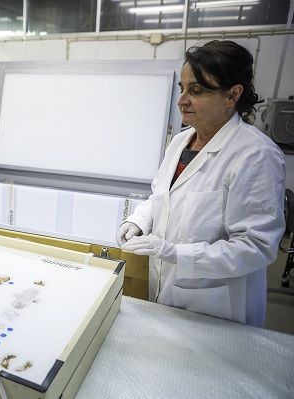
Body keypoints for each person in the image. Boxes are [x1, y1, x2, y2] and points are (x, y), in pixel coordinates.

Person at [117, 40, 285, 327]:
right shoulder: (182, 140)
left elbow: (256, 247)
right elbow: (162, 196)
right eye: (181, 89)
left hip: (218, 310)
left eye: (196, 91)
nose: (182, 100)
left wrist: (173, 252)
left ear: (232, 95)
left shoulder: (255, 155)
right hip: (167, 293)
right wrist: (139, 221)